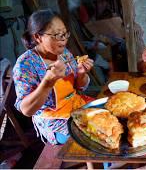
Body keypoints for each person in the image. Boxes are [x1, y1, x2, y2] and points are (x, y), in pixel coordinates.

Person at [13, 9, 94, 145]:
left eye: (64, 33)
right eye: (56, 34)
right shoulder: (25, 64)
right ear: (38, 37)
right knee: (91, 133)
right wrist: (47, 83)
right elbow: (26, 110)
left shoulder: (65, 54)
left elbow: (79, 87)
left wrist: (81, 73)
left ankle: (107, 164)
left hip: (74, 105)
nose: (63, 39)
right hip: (53, 121)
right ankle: (105, 164)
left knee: (106, 118)